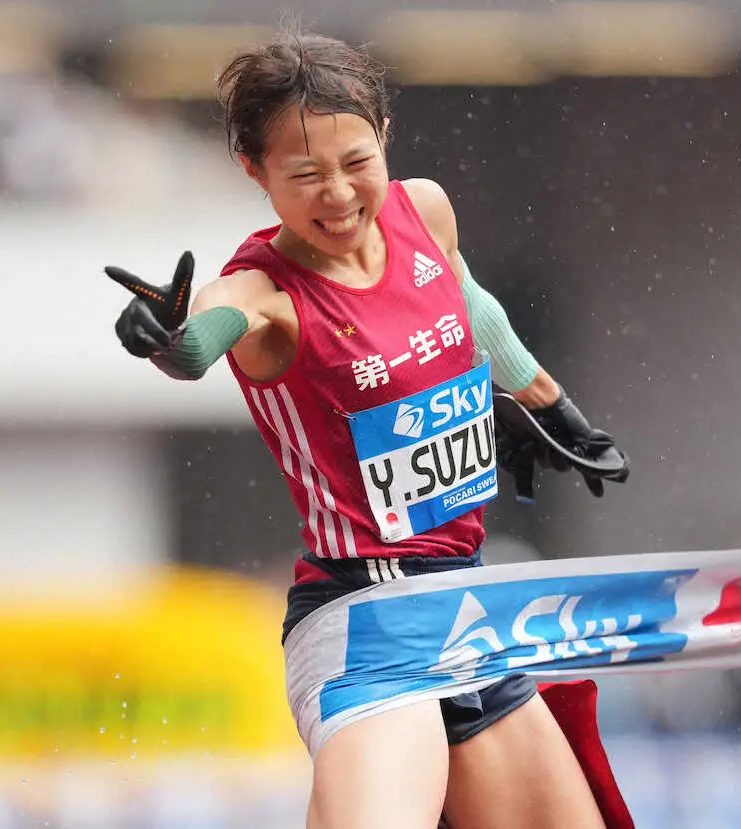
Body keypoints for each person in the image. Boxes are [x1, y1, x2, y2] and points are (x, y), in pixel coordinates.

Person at [105, 26, 629, 829]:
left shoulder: (425, 211)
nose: (340, 197)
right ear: (255, 171)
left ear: (385, 138)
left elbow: (471, 306)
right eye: (305, 175)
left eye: (357, 165)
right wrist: (167, 340)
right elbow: (201, 341)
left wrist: (546, 401)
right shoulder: (260, 291)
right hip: (367, 628)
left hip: (468, 608)